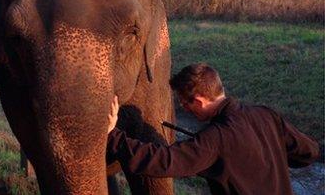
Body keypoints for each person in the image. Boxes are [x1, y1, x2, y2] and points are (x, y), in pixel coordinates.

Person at [106, 62, 320, 195]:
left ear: (199, 101)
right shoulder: (266, 115)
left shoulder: (215, 139)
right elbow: (308, 152)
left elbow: (164, 161)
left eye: (185, 104)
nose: (185, 110)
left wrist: (113, 135)